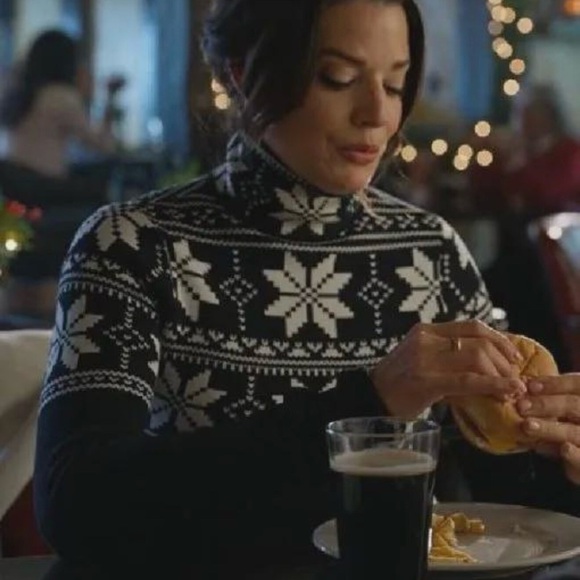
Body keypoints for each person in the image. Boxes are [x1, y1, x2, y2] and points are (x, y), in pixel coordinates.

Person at [34, 1, 580, 579]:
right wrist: (369, 403)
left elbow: (508, 511)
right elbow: (77, 503)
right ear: (243, 74)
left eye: (395, 84)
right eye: (338, 78)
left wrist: (559, 453)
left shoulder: (431, 252)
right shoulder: (133, 244)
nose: (377, 114)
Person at [0, 29, 116, 177]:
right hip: (45, 182)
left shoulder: (19, 91)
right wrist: (110, 98)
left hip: (13, 181)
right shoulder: (61, 96)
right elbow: (103, 146)